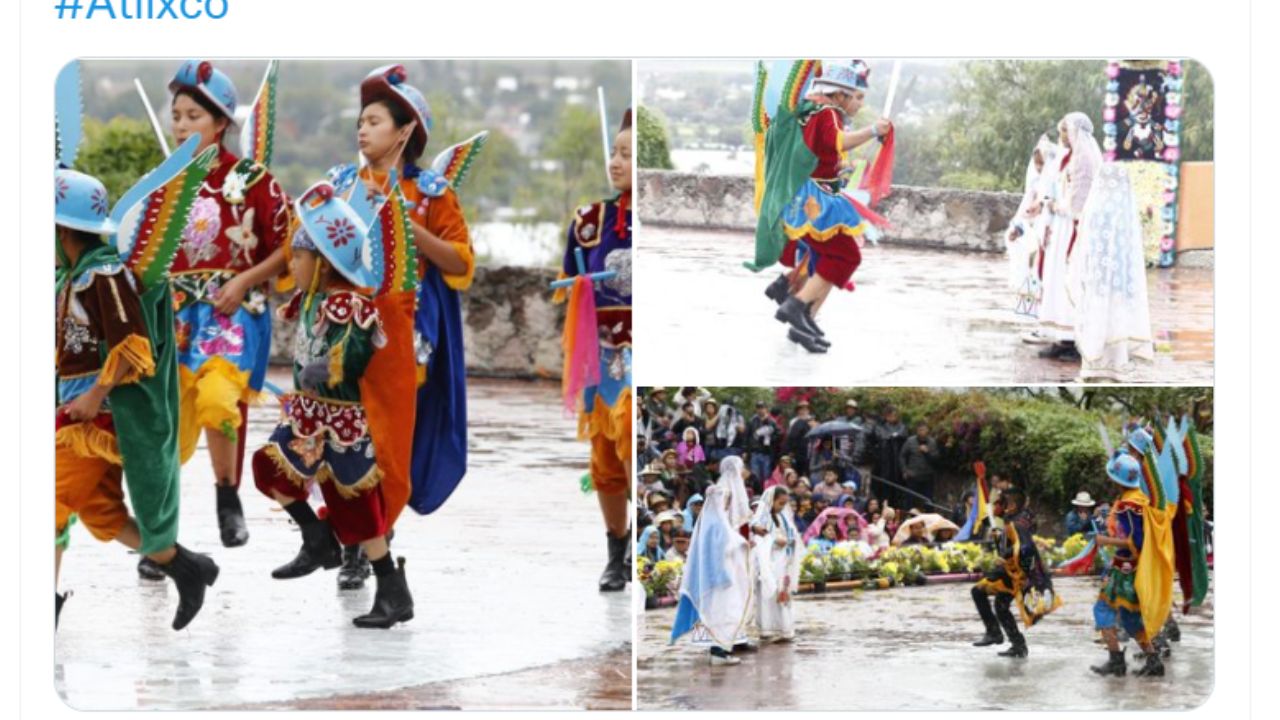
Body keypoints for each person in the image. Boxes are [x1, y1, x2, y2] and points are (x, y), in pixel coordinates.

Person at [329, 64, 479, 588]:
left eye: (374, 121)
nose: (362, 130)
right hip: (344, 330)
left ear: (405, 130)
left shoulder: (432, 193)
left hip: (406, 333)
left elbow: (460, 262)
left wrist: (409, 227)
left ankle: (374, 539)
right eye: (360, 121)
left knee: (386, 441)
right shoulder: (340, 186)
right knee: (344, 433)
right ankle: (356, 541)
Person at [55, 165, 221, 631]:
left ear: (62, 230)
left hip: (95, 420)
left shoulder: (104, 275)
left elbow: (133, 347)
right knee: (101, 515)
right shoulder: (72, 276)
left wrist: (95, 396)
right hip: (74, 413)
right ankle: (185, 567)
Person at [251, 182, 413, 628]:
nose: (292, 265)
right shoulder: (312, 299)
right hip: (308, 415)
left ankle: (392, 590)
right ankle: (315, 537)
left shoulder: (349, 306)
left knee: (356, 507)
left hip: (343, 421)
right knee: (269, 468)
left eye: (299, 258)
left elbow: (353, 357)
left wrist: (321, 370)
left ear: (323, 262)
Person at [165, 60, 292, 561]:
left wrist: (243, 280)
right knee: (166, 425)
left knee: (219, 401)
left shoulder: (254, 179)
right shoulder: (163, 183)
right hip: (174, 318)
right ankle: (159, 537)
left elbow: (290, 246)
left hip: (231, 314)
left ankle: (226, 494)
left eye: (193, 116)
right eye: (176, 115)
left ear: (220, 123)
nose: (181, 126)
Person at [552, 106, 634, 592]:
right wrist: (582, 287)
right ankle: (616, 550)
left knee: (632, 443)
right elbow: (567, 282)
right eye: (615, 152)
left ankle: (641, 541)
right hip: (602, 353)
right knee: (605, 458)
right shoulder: (589, 221)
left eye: (628, 155)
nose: (617, 162)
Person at [756, 60, 891, 353]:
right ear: (839, 94)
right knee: (845, 255)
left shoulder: (811, 109)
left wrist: (837, 167)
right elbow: (837, 141)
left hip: (808, 194)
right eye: (855, 97)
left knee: (827, 257)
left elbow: (821, 151)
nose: (858, 104)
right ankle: (797, 305)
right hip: (814, 200)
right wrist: (872, 130)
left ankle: (801, 312)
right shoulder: (827, 111)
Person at [1089, 449, 1174, 678]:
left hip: (1126, 568)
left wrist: (1105, 540)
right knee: (1130, 617)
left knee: (1102, 609)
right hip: (1133, 567)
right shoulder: (1141, 498)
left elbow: (1136, 542)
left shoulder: (1128, 505)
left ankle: (1116, 661)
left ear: (1117, 480)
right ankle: (1153, 660)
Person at [1070, 163, 1155, 380]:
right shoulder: (1124, 209)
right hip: (1120, 282)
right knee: (1117, 320)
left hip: (1096, 281)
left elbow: (1084, 246)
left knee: (1097, 318)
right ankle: (1116, 367)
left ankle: (1093, 367)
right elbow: (1130, 251)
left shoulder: (1094, 207)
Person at [670, 455, 755, 665]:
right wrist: (743, 544)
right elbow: (725, 545)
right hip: (720, 577)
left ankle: (721, 648)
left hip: (721, 575)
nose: (728, 504)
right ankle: (718, 651)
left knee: (720, 612)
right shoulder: (716, 524)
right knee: (720, 613)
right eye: (725, 501)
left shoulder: (714, 522)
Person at [1037, 111, 1102, 362]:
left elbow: (1078, 204)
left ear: (1076, 131)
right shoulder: (1070, 157)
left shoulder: (1083, 159)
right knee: (1057, 279)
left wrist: (1055, 206)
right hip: (1061, 227)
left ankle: (1072, 337)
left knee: (1070, 279)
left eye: (1065, 130)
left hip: (1073, 228)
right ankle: (1061, 335)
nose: (1062, 135)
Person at [970, 487, 1060, 658]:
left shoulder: (1016, 524)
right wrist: (999, 539)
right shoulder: (1016, 519)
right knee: (1000, 606)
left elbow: (1025, 548)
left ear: (1010, 505)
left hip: (1017, 571)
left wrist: (1007, 556)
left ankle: (996, 633)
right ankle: (1017, 645)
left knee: (978, 592)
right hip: (1013, 570)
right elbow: (1012, 542)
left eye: (998, 503)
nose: (994, 506)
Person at [1006, 134, 1062, 329]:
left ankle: (1047, 312)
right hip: (1032, 233)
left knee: (1045, 272)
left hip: (1049, 232)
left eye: (1042, 164)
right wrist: (1018, 227)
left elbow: (1053, 203)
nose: (1038, 168)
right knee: (1031, 271)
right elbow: (1024, 211)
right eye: (1036, 164)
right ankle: (1030, 312)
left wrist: (1043, 206)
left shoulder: (1056, 184)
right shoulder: (1034, 186)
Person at [751, 486, 801, 642]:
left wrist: (790, 541)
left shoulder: (783, 518)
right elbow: (758, 539)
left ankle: (783, 628)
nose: (782, 507)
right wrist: (774, 540)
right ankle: (768, 628)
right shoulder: (761, 519)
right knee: (768, 595)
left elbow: (791, 534)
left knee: (782, 593)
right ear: (771, 501)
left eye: (785, 504)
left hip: (782, 562)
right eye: (780, 503)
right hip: (769, 562)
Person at [872, 407, 908, 506]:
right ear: (887, 417)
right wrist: (892, 436)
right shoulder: (881, 427)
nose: (893, 417)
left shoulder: (902, 426)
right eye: (891, 415)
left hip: (898, 463)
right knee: (884, 487)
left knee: (898, 487)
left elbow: (903, 434)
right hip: (884, 462)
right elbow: (880, 436)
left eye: (895, 415)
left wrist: (894, 436)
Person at [899, 422, 940, 503]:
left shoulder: (932, 442)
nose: (922, 432)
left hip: (927, 476)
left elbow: (936, 459)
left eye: (924, 430)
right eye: (920, 430)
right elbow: (902, 456)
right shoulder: (910, 441)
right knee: (911, 500)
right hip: (913, 475)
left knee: (928, 500)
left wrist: (927, 452)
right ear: (917, 431)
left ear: (927, 431)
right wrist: (904, 470)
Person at [747, 401, 780, 483]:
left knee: (767, 477)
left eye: (762, 408)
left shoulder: (772, 422)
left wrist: (769, 439)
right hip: (755, 452)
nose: (760, 410)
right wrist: (747, 450)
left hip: (767, 453)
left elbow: (778, 435)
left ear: (766, 409)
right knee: (755, 478)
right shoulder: (752, 421)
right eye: (758, 408)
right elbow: (747, 436)